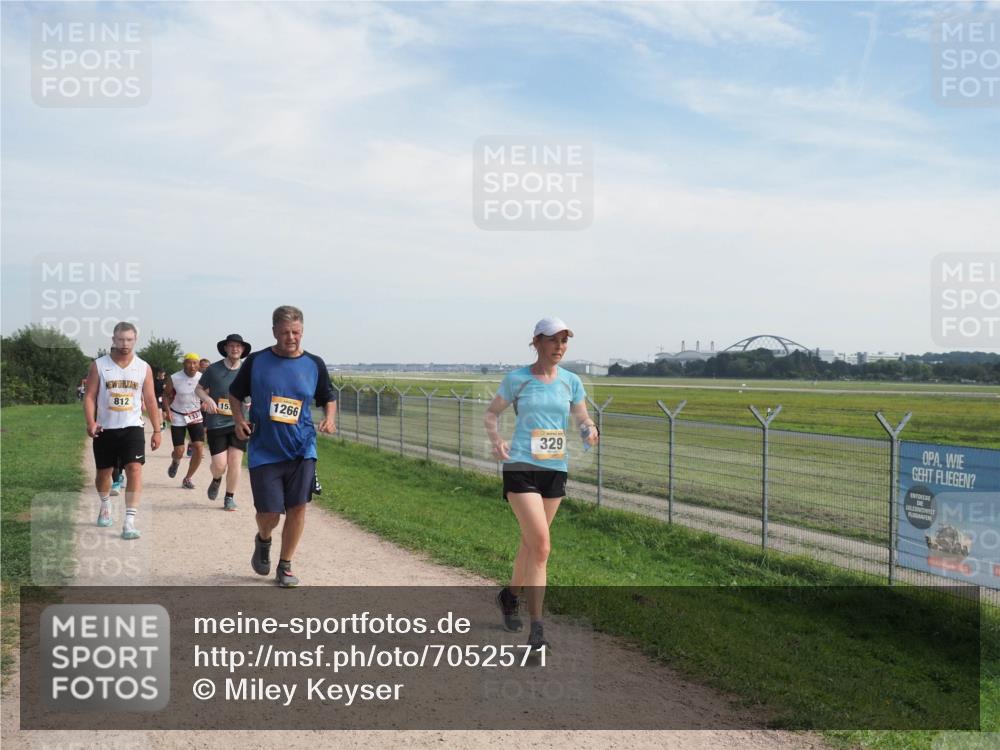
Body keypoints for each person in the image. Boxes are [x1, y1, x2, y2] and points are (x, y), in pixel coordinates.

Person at [483, 317, 599, 651]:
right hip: (520, 466)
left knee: (531, 544)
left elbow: (582, 417)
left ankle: (510, 596)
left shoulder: (571, 381)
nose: (559, 346)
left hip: (554, 468)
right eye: (553, 340)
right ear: (537, 342)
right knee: (543, 546)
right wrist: (497, 441)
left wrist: (590, 429)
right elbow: (491, 414)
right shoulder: (517, 379)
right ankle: (537, 630)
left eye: (564, 341)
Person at [229, 305, 337, 588]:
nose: (291, 338)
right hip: (265, 449)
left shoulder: (314, 364)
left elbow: (328, 396)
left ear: (303, 331)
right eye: (286, 332)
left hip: (302, 449)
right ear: (274, 331)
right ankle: (263, 539)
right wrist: (238, 421)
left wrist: (329, 418)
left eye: (296, 332)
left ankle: (285, 565)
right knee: (269, 513)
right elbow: (235, 394)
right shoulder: (256, 361)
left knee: (298, 507)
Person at [82, 322, 161, 539]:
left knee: (134, 468)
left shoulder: (143, 367)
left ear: (135, 340)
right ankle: (105, 504)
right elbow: (89, 396)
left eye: (129, 339)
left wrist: (157, 430)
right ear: (113, 340)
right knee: (103, 474)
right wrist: (90, 422)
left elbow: (151, 400)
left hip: (132, 427)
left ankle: (129, 522)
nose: (125, 344)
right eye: (121, 339)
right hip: (105, 428)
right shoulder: (99, 365)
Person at [196, 334, 252, 511]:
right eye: (231, 346)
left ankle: (229, 497)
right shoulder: (213, 369)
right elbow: (198, 389)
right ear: (225, 348)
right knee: (219, 465)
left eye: (238, 346)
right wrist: (207, 399)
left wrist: (251, 401)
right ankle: (216, 478)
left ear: (243, 350)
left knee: (235, 461)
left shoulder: (248, 370)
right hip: (217, 422)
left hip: (240, 423)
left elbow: (256, 390)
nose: (235, 349)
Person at [162, 353, 213, 489]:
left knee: (199, 448)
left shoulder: (202, 378)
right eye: (189, 363)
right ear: (184, 364)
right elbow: (165, 395)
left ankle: (188, 478)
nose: (192, 366)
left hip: (195, 415)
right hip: (178, 415)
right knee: (179, 451)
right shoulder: (174, 378)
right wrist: (167, 411)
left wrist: (206, 401)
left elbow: (209, 393)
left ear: (199, 365)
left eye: (195, 363)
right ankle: (175, 461)